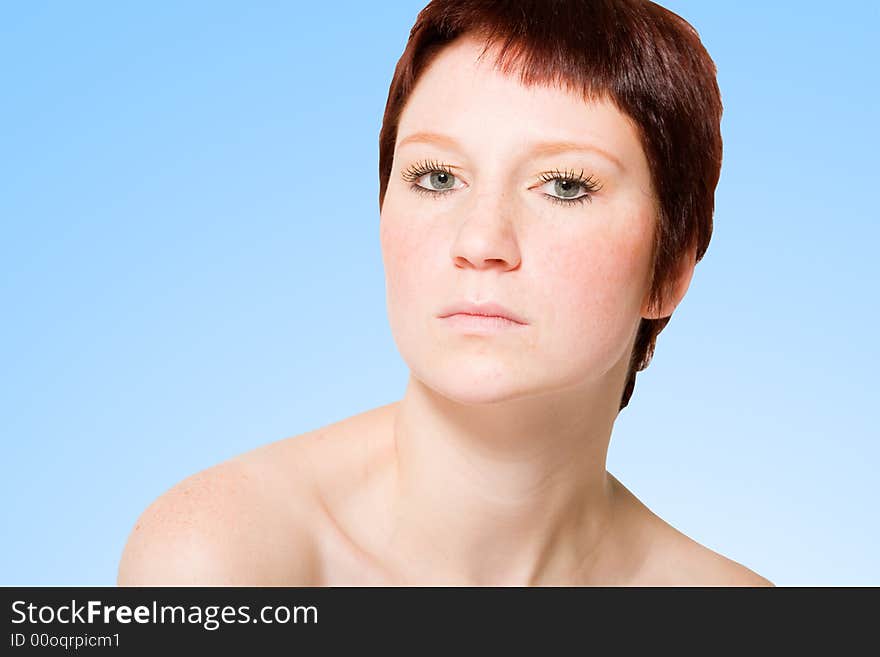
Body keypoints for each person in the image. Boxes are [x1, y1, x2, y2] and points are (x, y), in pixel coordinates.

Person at [118, 0, 774, 586]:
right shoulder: (222, 561)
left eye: (565, 185)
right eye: (436, 176)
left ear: (670, 271)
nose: (480, 239)